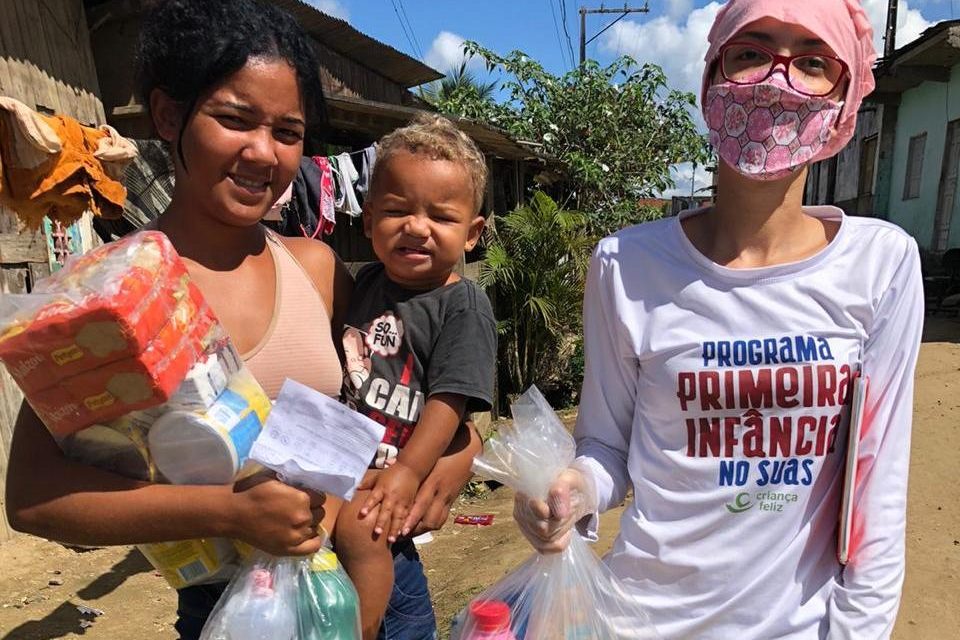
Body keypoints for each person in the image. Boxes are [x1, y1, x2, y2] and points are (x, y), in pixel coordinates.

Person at [4, 2, 481, 639]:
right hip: (237, 606)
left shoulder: (315, 268)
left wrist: (460, 455)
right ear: (170, 115)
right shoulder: (117, 295)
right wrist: (229, 512)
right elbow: (34, 497)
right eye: (234, 119)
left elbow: (409, 378)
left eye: (288, 131)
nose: (264, 152)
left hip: (380, 580)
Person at [514, 1, 923, 638]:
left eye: (813, 63)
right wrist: (572, 490)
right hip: (640, 622)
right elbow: (605, 446)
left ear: (844, 102)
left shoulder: (880, 265)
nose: (776, 81)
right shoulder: (626, 264)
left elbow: (879, 483)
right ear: (711, 81)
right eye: (751, 52)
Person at [336, 114, 497, 639]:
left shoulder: (462, 304)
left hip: (392, 481)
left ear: (472, 234)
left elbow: (450, 401)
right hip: (350, 473)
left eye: (441, 217)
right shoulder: (362, 283)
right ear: (367, 220)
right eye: (397, 210)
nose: (416, 226)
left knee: (373, 553)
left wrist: (408, 470)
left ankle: (359, 630)